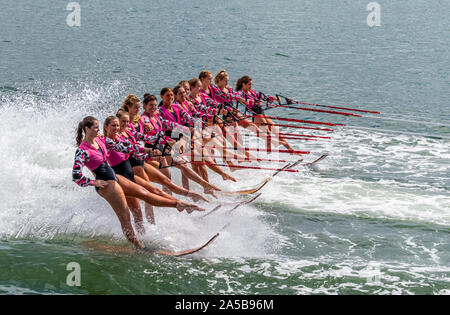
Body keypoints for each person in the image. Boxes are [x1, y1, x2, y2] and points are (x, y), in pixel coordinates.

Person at [72, 116, 204, 249]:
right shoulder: (82, 150)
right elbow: (76, 176)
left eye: (98, 127)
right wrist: (93, 182)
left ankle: (179, 204)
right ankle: (139, 247)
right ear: (87, 129)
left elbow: (125, 147)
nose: (98, 130)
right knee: (126, 218)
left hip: (115, 177)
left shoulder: (100, 140)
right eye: (95, 127)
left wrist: (149, 152)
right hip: (107, 186)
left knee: (145, 193)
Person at [139, 94, 223, 198]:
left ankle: (203, 186)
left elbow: (170, 124)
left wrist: (186, 129)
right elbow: (145, 134)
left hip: (164, 147)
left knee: (183, 165)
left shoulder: (156, 116)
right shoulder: (144, 119)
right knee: (167, 180)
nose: (153, 107)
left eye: (155, 105)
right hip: (153, 151)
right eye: (150, 105)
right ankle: (171, 202)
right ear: (144, 105)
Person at [235, 75, 296, 153]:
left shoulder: (252, 92)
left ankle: (292, 151)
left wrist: (275, 98)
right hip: (256, 115)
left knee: (277, 132)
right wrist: (250, 101)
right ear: (243, 84)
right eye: (249, 84)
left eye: (251, 84)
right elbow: (238, 98)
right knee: (268, 136)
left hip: (262, 113)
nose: (251, 86)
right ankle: (269, 156)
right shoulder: (241, 93)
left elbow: (263, 96)